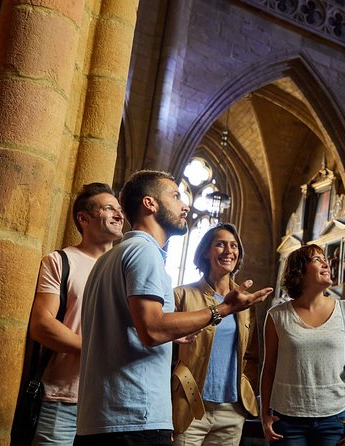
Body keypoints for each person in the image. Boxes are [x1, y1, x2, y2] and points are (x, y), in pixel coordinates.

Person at [75, 170, 272, 445]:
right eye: (176, 196)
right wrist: (222, 310)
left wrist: (172, 335)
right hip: (134, 418)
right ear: (150, 204)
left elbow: (130, 328)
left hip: (99, 420)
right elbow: (152, 330)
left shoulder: (109, 257)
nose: (185, 205)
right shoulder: (146, 253)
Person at [29, 182, 124, 445]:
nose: (119, 215)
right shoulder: (60, 261)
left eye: (119, 209)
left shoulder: (125, 270)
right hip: (62, 400)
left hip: (112, 404)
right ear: (84, 218)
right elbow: (41, 325)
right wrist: (97, 348)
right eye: (109, 209)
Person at [260, 244, 345, 446]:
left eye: (324, 258)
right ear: (299, 271)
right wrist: (264, 415)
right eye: (317, 259)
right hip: (287, 418)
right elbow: (268, 369)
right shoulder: (277, 316)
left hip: (335, 418)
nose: (326, 263)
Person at [172, 223, 260, 445]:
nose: (228, 251)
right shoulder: (181, 295)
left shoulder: (246, 303)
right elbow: (159, 344)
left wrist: (244, 388)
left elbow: (251, 355)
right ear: (205, 251)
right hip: (189, 405)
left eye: (234, 246)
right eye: (220, 244)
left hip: (231, 411)